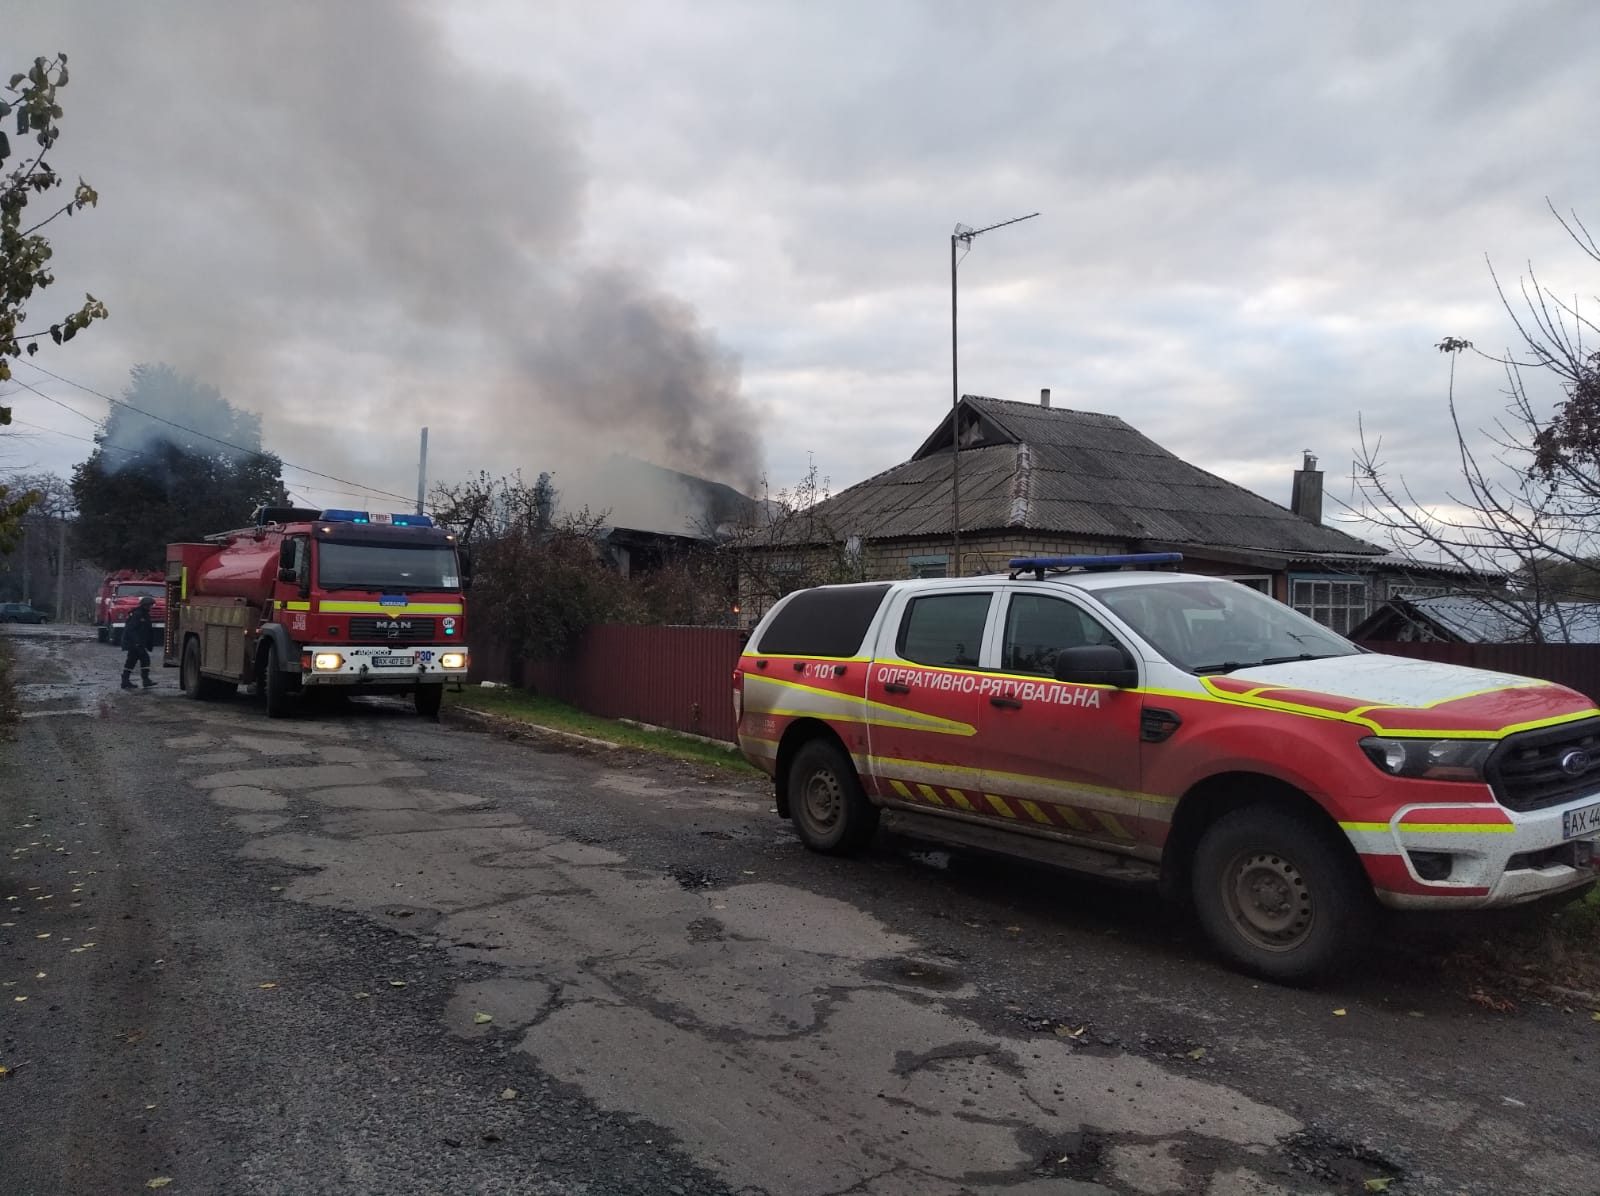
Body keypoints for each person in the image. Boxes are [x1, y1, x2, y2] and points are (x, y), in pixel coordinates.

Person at [121, 595, 158, 690]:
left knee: (132, 661)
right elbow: (131, 629)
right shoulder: (138, 614)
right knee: (144, 659)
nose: (151, 607)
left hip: (139, 643)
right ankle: (144, 680)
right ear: (145, 605)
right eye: (150, 605)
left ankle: (126, 681)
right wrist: (136, 642)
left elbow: (146, 630)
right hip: (134, 643)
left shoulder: (144, 614)